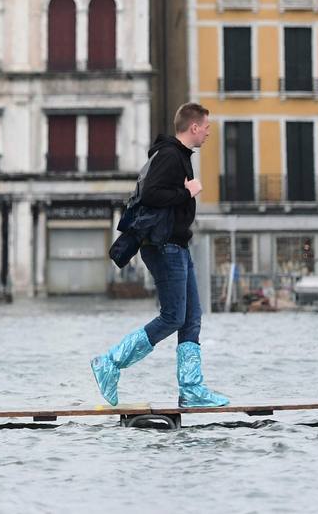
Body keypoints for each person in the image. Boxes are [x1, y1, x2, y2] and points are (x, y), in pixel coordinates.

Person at [90, 103, 229, 409]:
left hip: (177, 245)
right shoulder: (170, 155)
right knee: (173, 317)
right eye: (206, 126)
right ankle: (110, 363)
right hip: (164, 246)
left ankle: (191, 389)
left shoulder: (178, 156)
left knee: (191, 317)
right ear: (193, 127)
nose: (208, 131)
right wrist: (188, 192)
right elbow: (152, 193)